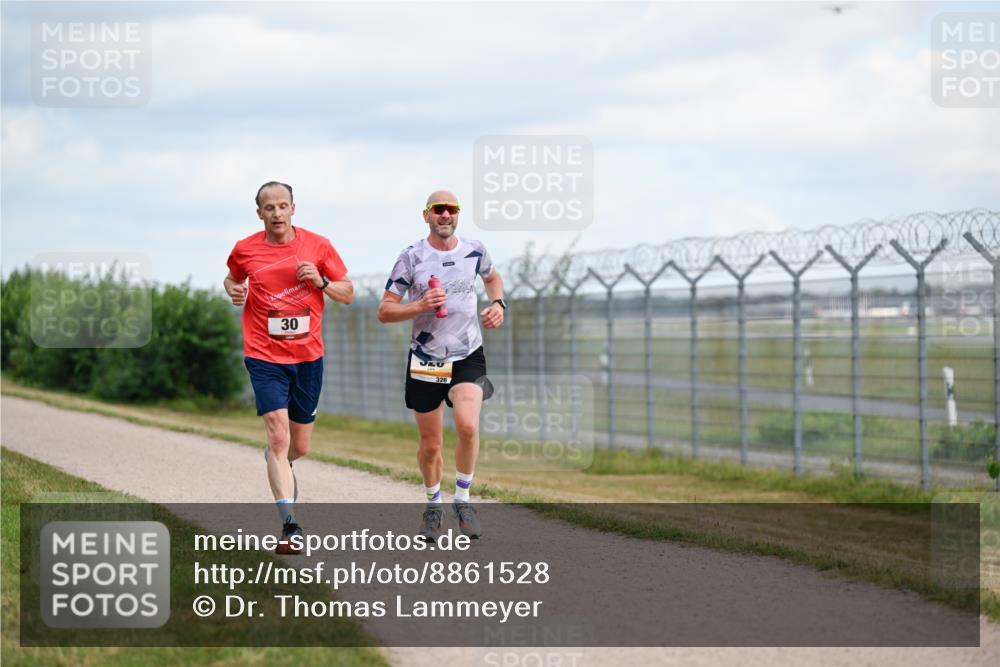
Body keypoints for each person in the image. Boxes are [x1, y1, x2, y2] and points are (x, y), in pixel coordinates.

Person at [225, 181, 352, 554]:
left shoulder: (319, 246)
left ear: (293, 208)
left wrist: (321, 281)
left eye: (283, 206)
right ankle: (290, 526)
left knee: (299, 446)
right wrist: (234, 290)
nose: (277, 213)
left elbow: (348, 293)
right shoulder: (245, 249)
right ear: (259, 213)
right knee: (278, 436)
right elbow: (232, 278)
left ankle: (278, 459)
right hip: (264, 355)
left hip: (308, 357)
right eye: (269, 207)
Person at [377, 190, 505, 541]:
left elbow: (493, 278)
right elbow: (385, 311)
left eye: (452, 209)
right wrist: (419, 306)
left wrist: (498, 304)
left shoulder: (475, 250)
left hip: (467, 354)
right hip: (426, 358)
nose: (445, 215)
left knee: (468, 425)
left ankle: (462, 500)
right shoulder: (411, 257)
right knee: (431, 444)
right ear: (427, 215)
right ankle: (433, 505)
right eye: (438, 209)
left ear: (458, 215)